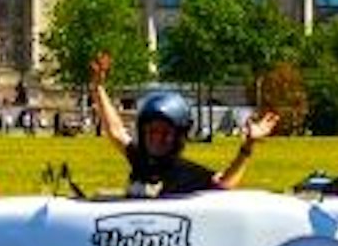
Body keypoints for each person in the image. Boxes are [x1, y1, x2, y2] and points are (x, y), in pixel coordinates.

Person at [88, 52, 277, 197]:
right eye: (152, 131)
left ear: (178, 136)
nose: (157, 138)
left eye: (165, 133)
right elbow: (116, 131)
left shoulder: (185, 172)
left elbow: (224, 184)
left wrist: (248, 145)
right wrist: (98, 88)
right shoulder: (140, 160)